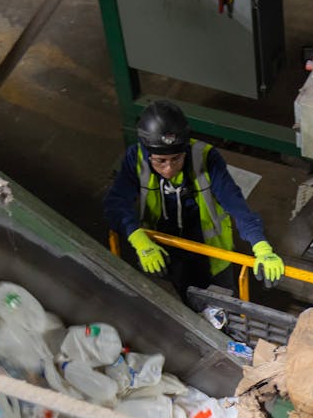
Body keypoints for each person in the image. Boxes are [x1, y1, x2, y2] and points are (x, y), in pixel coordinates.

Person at [103, 100, 284, 307]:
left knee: (224, 310)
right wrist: (140, 241)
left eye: (176, 159)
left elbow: (234, 203)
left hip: (211, 256)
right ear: (147, 153)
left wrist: (260, 245)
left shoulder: (206, 158)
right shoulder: (134, 159)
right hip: (161, 252)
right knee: (170, 307)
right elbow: (115, 203)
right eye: (160, 161)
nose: (169, 169)